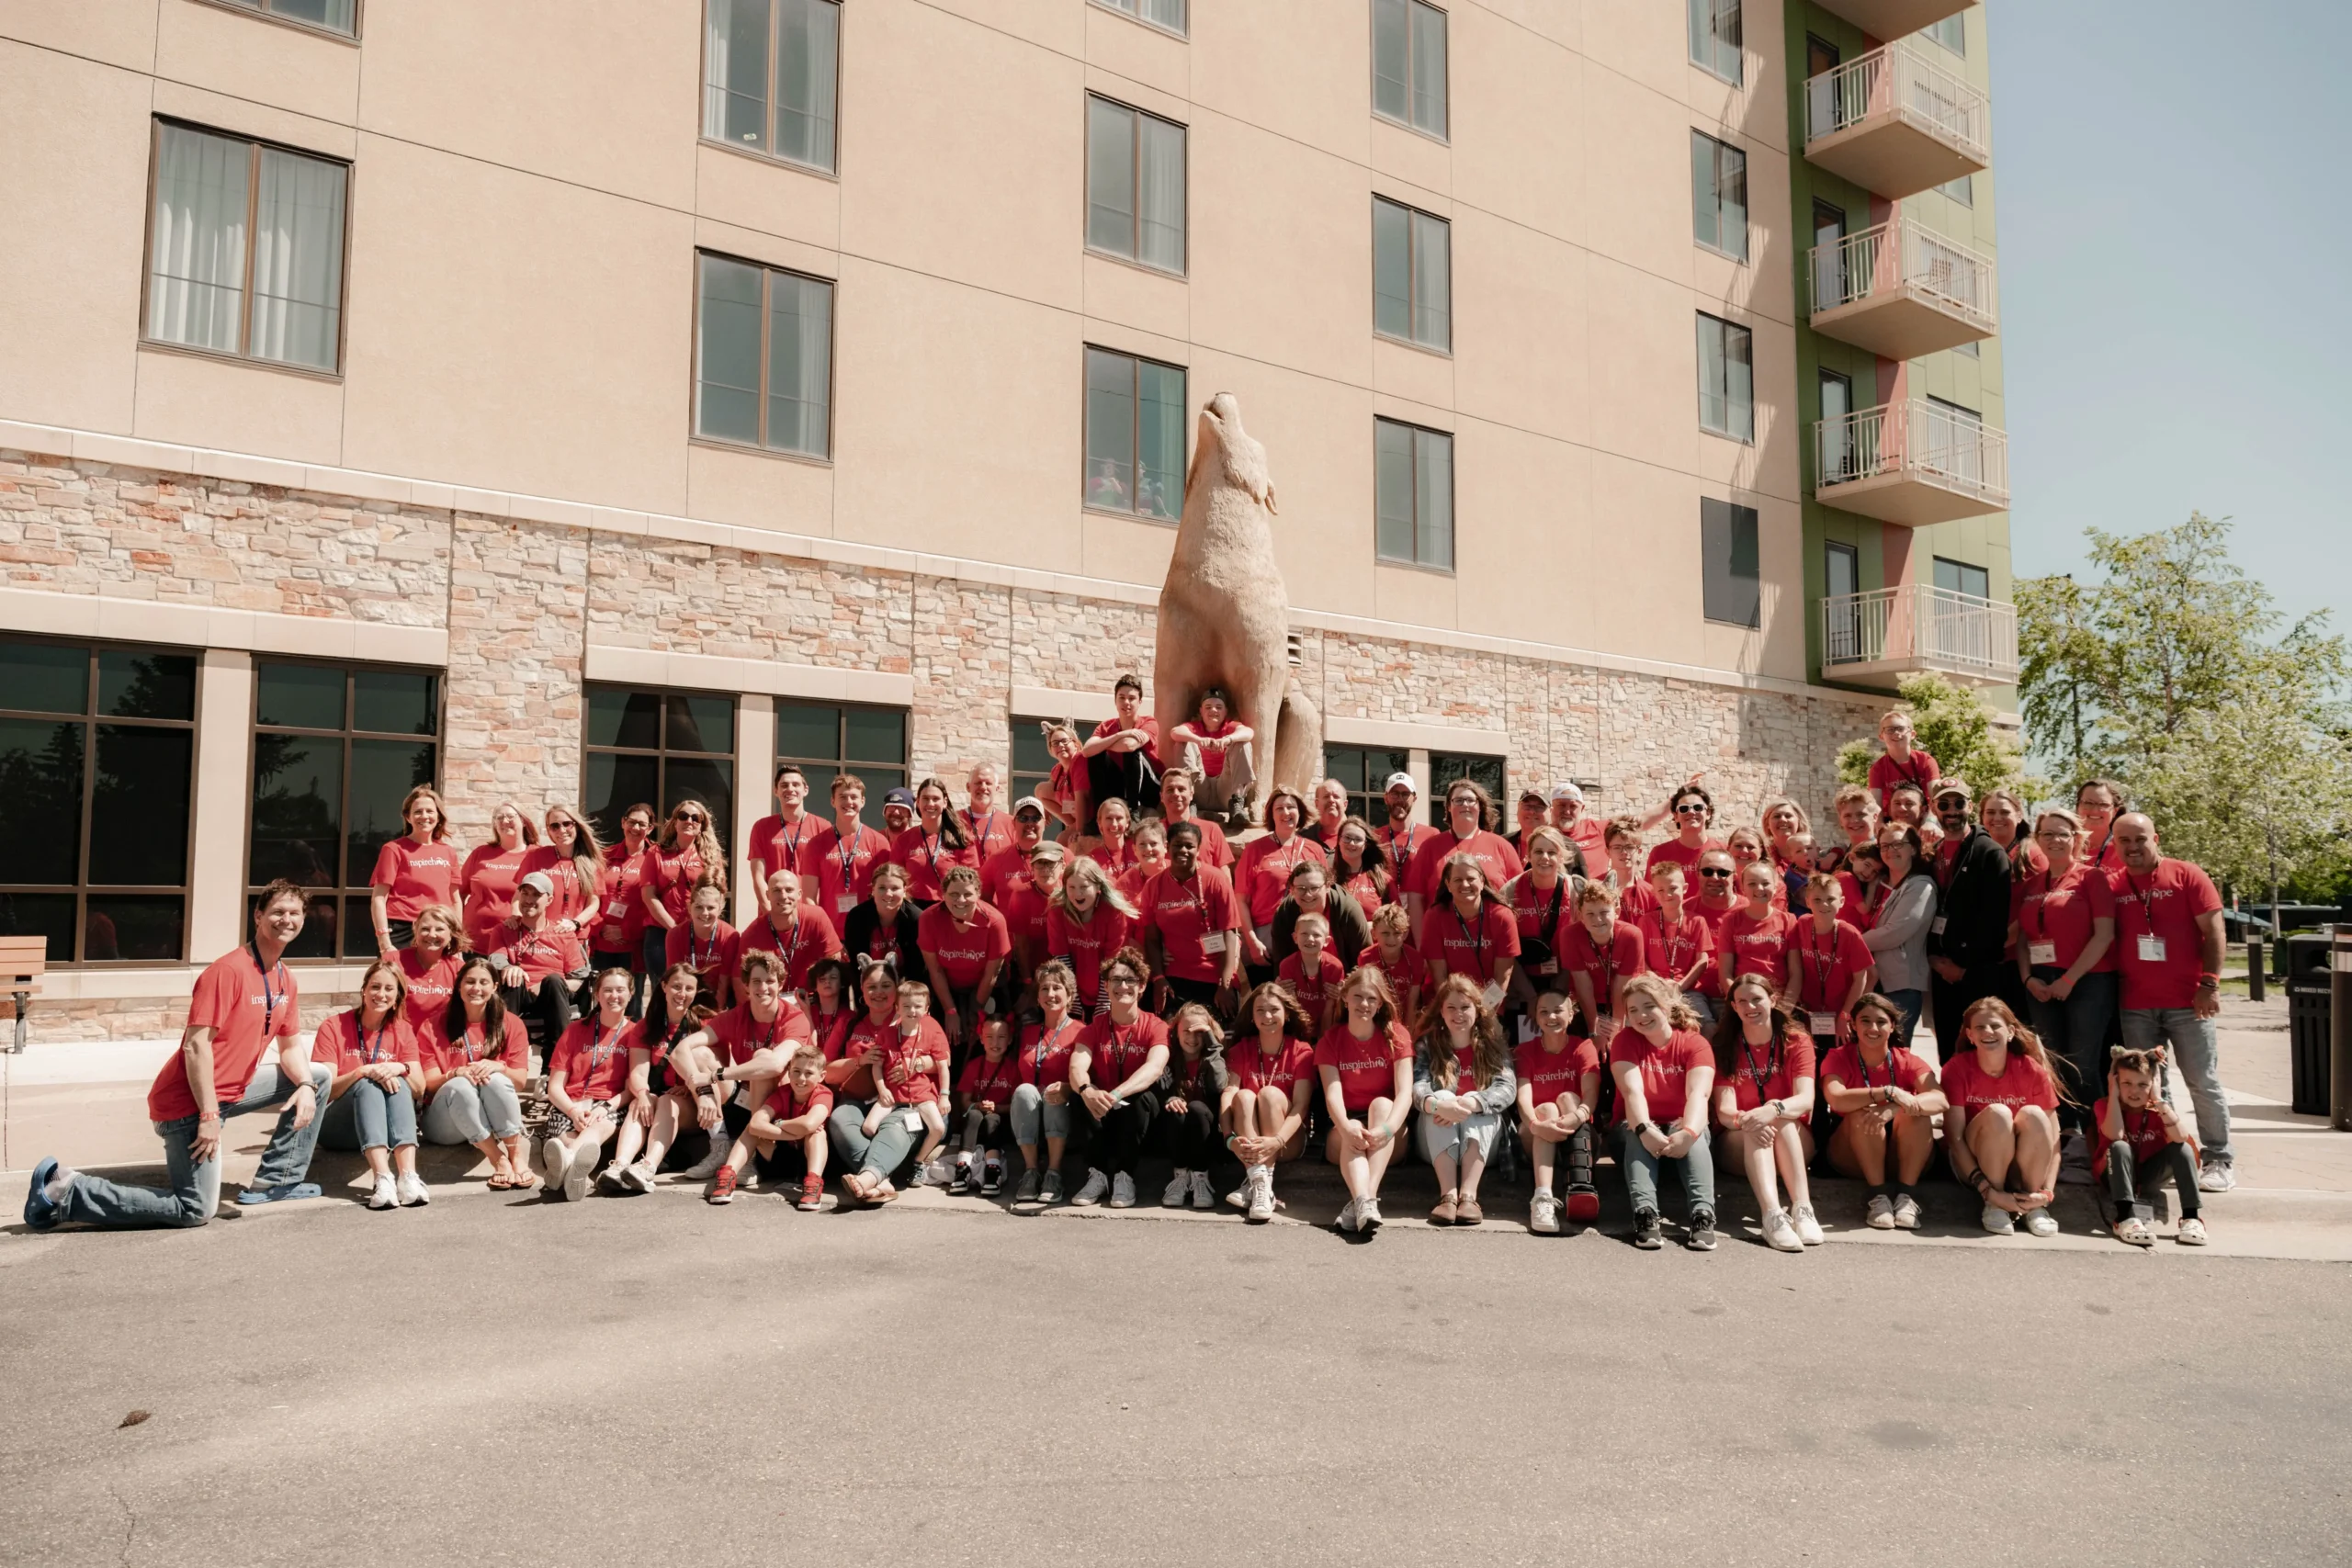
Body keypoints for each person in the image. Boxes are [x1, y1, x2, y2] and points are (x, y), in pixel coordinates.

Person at [28, 880, 334, 1230]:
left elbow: (291, 1047)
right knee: (195, 1210)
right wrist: (208, 1115)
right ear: (258, 916)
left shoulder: (285, 979)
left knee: (319, 1076)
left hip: (231, 1091)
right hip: (189, 1103)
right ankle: (66, 1189)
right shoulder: (228, 971)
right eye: (278, 911)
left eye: (295, 913)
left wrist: (307, 1086)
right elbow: (195, 1045)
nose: (287, 919)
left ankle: (276, 1182)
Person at [2109, 812, 2234, 1191]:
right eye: (2124, 841)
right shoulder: (2113, 884)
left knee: (2202, 1080)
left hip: (2188, 1001)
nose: (2132, 847)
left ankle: (2219, 1158)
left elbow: (2214, 931)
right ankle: (2170, 1153)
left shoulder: (2187, 875)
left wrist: (2209, 984)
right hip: (2135, 1002)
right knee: (2148, 1087)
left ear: (2156, 838)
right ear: (2115, 844)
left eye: (2140, 839)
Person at [665, 950, 816, 1197]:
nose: (763, 988)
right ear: (746, 985)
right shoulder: (736, 1015)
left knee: (763, 1058)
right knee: (701, 1053)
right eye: (756, 981)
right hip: (742, 1098)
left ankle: (750, 1154)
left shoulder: (794, 1019)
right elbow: (680, 1051)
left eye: (770, 981)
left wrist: (716, 1077)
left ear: (780, 984)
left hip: (779, 1107)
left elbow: (776, 1066)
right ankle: (721, 1144)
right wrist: (702, 1091)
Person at [2012, 808, 2118, 1131]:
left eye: (2063, 833)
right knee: (2051, 1063)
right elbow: (2023, 939)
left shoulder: (2092, 877)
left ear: (2076, 838)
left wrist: (2070, 979)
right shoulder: (2031, 885)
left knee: (2083, 1065)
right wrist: (2028, 978)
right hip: (2041, 983)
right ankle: (2065, 1134)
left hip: (2088, 982)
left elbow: (2105, 934)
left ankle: (2098, 1140)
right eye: (2047, 834)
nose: (2055, 840)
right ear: (2037, 840)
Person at [1816, 993, 1945, 1229]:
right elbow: (1836, 1099)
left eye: (1881, 1021)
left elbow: (1940, 1100)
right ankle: (1879, 1198)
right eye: (1865, 1020)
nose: (1872, 1028)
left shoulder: (1906, 1059)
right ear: (1853, 1025)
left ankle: (1906, 1197)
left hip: (1901, 1154)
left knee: (1915, 1113)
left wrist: (1897, 1105)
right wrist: (1886, 1092)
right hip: (1852, 1154)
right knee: (1861, 1112)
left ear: (1892, 1025)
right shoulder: (1838, 1056)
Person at [1609, 975, 1719, 1251]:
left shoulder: (1695, 1043)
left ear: (1667, 1006)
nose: (1641, 1015)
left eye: (1649, 1006)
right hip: (1635, 1129)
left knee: (1693, 1131)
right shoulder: (1625, 1040)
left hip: (1681, 1130)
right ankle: (1645, 1216)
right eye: (1632, 1010)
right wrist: (1645, 1129)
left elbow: (1699, 1094)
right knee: (1635, 1133)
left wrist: (1689, 1133)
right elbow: (1632, 1092)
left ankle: (1703, 1216)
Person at [1711, 975, 1819, 1253]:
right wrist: (1750, 1120)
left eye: (1757, 999)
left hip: (1792, 1138)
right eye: (1742, 1001)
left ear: (1772, 1000)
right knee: (1755, 1128)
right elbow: (1725, 1112)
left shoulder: (1797, 1041)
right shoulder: (1724, 1045)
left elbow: (1806, 1099)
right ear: (1734, 1007)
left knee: (1779, 1116)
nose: (1750, 1007)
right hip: (1737, 1141)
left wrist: (1772, 1109)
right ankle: (1772, 1216)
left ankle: (1803, 1209)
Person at [1940, 996, 2064, 1235]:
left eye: (1995, 1025)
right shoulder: (1956, 1069)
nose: (1988, 1031)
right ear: (1970, 1036)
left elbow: (2054, 1139)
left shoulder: (2031, 1068)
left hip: (2021, 1167)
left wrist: (2047, 1193)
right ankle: (1995, 1205)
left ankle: (2032, 1205)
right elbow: (1954, 1138)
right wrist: (1988, 1190)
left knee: (2034, 1114)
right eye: (1980, 1027)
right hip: (1974, 1166)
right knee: (1998, 1112)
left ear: (2010, 1032)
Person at [829, 958, 948, 1205]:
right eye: (871, 986)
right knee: (840, 1119)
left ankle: (868, 1178)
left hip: (910, 1100)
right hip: (864, 1099)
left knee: (895, 1124)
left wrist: (916, 1065)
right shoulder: (849, 1022)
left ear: (897, 989)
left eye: (886, 985)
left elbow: (944, 1061)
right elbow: (824, 1071)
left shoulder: (920, 1019)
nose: (879, 992)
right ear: (861, 990)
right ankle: (882, 1177)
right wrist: (859, 1061)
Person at [314, 959, 429, 1211]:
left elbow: (420, 1089)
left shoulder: (403, 1030)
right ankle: (382, 1178)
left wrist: (401, 1067)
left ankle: (408, 1176)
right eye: (376, 987)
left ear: (398, 996)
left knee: (398, 1080)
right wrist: (361, 1071)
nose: (381, 994)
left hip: (380, 1126)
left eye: (389, 989)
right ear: (364, 989)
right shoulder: (333, 1027)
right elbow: (326, 1090)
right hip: (336, 1127)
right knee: (367, 1083)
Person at [1068, 948, 1173, 1210]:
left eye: (1130, 980)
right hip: (1103, 1112)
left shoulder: (1156, 1026)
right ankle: (1098, 1175)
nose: (1122, 986)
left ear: (1142, 987)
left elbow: (1155, 1068)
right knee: (1079, 1095)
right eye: (1115, 980)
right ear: (1106, 985)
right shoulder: (1094, 1028)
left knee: (1138, 1097)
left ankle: (1125, 1176)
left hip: (1140, 1118)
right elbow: (1077, 1066)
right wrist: (1086, 1090)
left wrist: (1117, 1094)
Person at [419, 953, 536, 1187]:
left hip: (488, 1118)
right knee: (460, 1085)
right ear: (459, 986)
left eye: (484, 982)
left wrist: (499, 1066)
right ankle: (498, 1158)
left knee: (497, 1078)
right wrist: (454, 1073)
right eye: (470, 982)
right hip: (445, 1123)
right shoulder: (432, 1025)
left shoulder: (511, 1023)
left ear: (494, 987)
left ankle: (516, 1156)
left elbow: (520, 1082)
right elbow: (428, 1084)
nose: (476, 988)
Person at [1317, 967, 1415, 1236]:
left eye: (1372, 999)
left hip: (1389, 1131)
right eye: (1358, 996)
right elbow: (1332, 1095)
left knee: (1382, 1104)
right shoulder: (1331, 1040)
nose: (1364, 1004)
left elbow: (1405, 1093)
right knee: (1353, 1130)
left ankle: (1363, 1200)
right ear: (1345, 997)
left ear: (1380, 1003)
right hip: (1345, 1127)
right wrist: (1347, 1127)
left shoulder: (1397, 1035)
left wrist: (1386, 1129)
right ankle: (1367, 1203)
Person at [603, 963, 717, 1192]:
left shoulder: (706, 1022)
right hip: (663, 1098)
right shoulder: (648, 1025)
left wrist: (690, 1085)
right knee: (639, 1102)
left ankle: (647, 1168)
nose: (681, 994)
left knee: (666, 1101)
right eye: (676, 987)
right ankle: (620, 1165)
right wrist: (643, 1094)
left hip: (697, 1105)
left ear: (696, 992)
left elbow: (716, 1069)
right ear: (663, 986)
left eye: (688, 989)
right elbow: (638, 1072)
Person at [1412, 975, 1516, 1225]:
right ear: (1442, 1012)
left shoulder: (1492, 1044)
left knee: (1475, 1098)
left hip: (1484, 1146)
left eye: (1465, 1007)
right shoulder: (1429, 1044)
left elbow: (1507, 1088)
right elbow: (1417, 1088)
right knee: (1444, 1095)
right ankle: (1448, 1197)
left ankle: (1469, 1197)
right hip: (1436, 1142)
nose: (1458, 1014)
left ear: (1477, 1010)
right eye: (1451, 1008)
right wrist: (1439, 1105)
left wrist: (1473, 1103)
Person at [538, 968, 643, 1202]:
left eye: (620, 990)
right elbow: (554, 1087)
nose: (613, 996)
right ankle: (576, 1174)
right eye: (607, 990)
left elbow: (630, 1088)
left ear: (631, 994)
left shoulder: (635, 1033)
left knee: (600, 1125)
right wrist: (573, 1111)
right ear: (596, 994)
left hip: (609, 1105)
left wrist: (604, 1107)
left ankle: (566, 1160)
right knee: (566, 1135)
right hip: (571, 1104)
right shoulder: (576, 1030)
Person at [1927, 780, 2012, 1064]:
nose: (1952, 811)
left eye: (1959, 803)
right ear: (1933, 808)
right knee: (1949, 1057)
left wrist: (1964, 969)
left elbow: (1995, 922)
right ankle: (1954, 1109)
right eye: (1944, 804)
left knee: (1982, 1055)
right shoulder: (1933, 853)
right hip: (1940, 971)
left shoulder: (1990, 853)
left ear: (1970, 807)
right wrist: (1935, 960)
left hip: (1974, 974)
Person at [1222, 982, 1316, 1223]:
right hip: (1249, 1139)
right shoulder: (1242, 1048)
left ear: (1286, 1013)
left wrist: (1277, 1140)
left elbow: (1301, 1106)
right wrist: (1229, 1137)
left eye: (1274, 1009)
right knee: (1243, 1096)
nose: (1267, 1016)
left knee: (1269, 1094)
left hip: (1287, 1140)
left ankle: (1257, 1180)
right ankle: (1260, 1183)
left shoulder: (1302, 1050)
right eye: (1260, 1010)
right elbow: (1230, 1090)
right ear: (1252, 1017)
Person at [2097, 1047, 2207, 1247]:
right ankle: (2124, 1218)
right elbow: (2115, 1135)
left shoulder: (2158, 1109)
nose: (2134, 1091)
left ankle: (2191, 1218)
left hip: (2149, 1176)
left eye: (2143, 1084)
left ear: (2154, 1084)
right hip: (2115, 1174)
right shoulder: (2104, 1105)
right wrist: (2113, 1095)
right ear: (2115, 1082)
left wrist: (2159, 1101)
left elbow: (2181, 1137)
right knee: (2120, 1146)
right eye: (2126, 1083)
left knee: (2181, 1147)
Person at [1516, 989, 1602, 1234]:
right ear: (1536, 1017)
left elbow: (1590, 1097)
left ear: (1571, 1015)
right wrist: (1537, 1125)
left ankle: (1580, 1185)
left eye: (1558, 1010)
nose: (1551, 1016)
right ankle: (1542, 1198)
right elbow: (1523, 1098)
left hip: (1578, 1136)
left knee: (1566, 1098)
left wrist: (1576, 1116)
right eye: (1543, 1011)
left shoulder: (1584, 1046)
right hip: (1537, 1135)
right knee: (1545, 1108)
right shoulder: (1525, 1051)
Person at [1137, 820, 1244, 1018]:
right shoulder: (1154, 886)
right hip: (1174, 976)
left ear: (1198, 848)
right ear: (1168, 847)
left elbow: (1230, 931)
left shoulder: (1216, 879)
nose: (1183, 850)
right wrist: (1159, 978)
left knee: (1217, 1036)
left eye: (1190, 846)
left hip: (1214, 974)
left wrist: (1225, 983)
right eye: (1178, 845)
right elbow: (1151, 938)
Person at [711, 1044, 832, 1211]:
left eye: (809, 1073)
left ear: (821, 1076)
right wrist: (793, 1133)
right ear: (789, 1072)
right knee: (750, 1129)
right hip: (779, 1155)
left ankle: (813, 1185)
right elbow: (756, 1123)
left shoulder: (823, 1094)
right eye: (796, 1071)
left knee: (817, 1134)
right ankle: (727, 1175)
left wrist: (780, 1123)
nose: (801, 1078)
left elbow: (809, 1124)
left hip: (806, 1160)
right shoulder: (783, 1093)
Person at [1402, 779, 1522, 937]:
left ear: (1480, 807)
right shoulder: (1430, 847)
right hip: (1443, 940)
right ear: (1449, 808)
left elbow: (1520, 893)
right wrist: (1421, 945)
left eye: (1471, 800)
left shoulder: (1501, 845)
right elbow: (1415, 898)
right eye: (1458, 800)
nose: (1465, 804)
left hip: (1493, 940)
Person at [1009, 960, 1084, 1205]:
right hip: (1030, 1112)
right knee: (1024, 1090)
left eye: (1057, 988)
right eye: (1044, 989)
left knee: (1054, 1091)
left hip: (1064, 1111)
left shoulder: (1081, 1031)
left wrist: (1068, 1087)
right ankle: (1031, 1172)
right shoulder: (1029, 1032)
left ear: (1070, 995)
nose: (1050, 994)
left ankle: (1054, 1174)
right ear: (1038, 998)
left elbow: (1088, 1076)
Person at [916, 864, 1011, 1059]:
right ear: (943, 894)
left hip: (985, 985)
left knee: (981, 1033)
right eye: (953, 894)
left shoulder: (994, 921)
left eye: (967, 894)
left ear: (978, 893)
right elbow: (935, 971)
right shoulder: (929, 918)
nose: (960, 900)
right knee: (949, 1035)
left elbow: (991, 973)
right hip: (947, 986)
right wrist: (950, 1011)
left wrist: (976, 1009)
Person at [487, 871, 589, 1044]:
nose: (528, 900)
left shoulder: (562, 933)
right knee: (513, 977)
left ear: (549, 900)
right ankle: (502, 1050)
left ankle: (556, 1060)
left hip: (552, 996)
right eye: (524, 893)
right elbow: (495, 961)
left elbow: (579, 978)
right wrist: (509, 968)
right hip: (518, 994)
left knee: (554, 980)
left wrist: (544, 984)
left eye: (536, 895)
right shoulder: (505, 929)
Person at [1861, 824, 1937, 1054]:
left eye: (1898, 844)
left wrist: (1847, 943)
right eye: (1885, 845)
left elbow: (1896, 932)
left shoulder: (1921, 885)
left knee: (1895, 1053)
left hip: (1901, 985)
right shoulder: (1883, 885)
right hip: (1876, 981)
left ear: (1913, 849)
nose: (1890, 850)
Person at [1236, 788, 1327, 972]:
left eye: (1291, 807)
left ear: (1300, 812)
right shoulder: (1255, 849)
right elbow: (1240, 900)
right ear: (1271, 814)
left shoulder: (1315, 850)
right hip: (1265, 939)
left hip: (1307, 935)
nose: (1286, 812)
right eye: (1279, 808)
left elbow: (1325, 896)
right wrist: (1252, 941)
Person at [369, 784, 463, 957]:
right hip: (402, 929)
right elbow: (379, 897)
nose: (424, 816)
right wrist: (384, 942)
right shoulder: (394, 849)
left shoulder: (448, 852)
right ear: (408, 816)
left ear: (438, 816)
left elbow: (455, 900)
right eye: (418, 812)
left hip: (439, 930)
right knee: (398, 983)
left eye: (430, 811)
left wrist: (457, 941)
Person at [871, 981, 951, 1179]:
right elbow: (877, 1066)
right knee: (868, 1127)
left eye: (917, 1006)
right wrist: (882, 1090)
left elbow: (943, 1065)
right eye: (906, 1006)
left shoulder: (931, 1033)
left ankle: (918, 1161)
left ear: (926, 1009)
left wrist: (944, 1096)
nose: (912, 1011)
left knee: (938, 1127)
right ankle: (884, 1162)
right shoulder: (887, 1033)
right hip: (893, 1094)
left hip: (922, 1096)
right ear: (897, 1008)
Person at [1157, 1002, 1231, 1209]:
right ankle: (1180, 1176)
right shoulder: (1168, 1058)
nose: (1192, 1038)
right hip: (1175, 1134)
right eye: (1187, 1031)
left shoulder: (1214, 1058)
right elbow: (1158, 1091)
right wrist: (1170, 1099)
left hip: (1209, 1135)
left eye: (1199, 1032)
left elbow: (1219, 1086)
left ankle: (1200, 1177)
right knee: (1175, 1110)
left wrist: (1213, 1045)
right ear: (1176, 1032)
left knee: (1197, 1107)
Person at [1045, 854, 1136, 1018]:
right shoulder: (1057, 909)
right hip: (1073, 989)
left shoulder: (1113, 912)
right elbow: (1061, 958)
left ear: (1098, 887)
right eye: (1071, 887)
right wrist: (1073, 999)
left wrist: (1103, 1002)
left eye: (1084, 887)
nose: (1077, 894)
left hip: (1107, 986)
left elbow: (1110, 960)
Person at [639, 798, 722, 977]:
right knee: (662, 992)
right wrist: (674, 929)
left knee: (698, 990)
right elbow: (648, 895)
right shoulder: (656, 852)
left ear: (701, 826)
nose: (689, 821)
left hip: (699, 932)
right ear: (675, 822)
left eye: (695, 818)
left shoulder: (710, 856)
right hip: (661, 933)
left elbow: (718, 895)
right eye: (683, 816)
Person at [1504, 827, 1578, 1023]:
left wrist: (1559, 989)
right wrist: (1530, 996)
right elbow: (1505, 950)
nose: (1544, 857)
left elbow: (1582, 945)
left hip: (1564, 982)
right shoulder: (1511, 891)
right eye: (1538, 851)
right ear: (1528, 855)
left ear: (1562, 857)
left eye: (1552, 852)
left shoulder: (1575, 891)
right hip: (1522, 986)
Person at [1790, 874, 1872, 1047]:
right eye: (1817, 899)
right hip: (1808, 1013)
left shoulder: (1850, 934)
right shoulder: (1802, 924)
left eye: (1830, 899)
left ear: (1842, 901)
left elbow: (1861, 979)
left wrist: (1845, 1015)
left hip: (1840, 1015)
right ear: (1807, 902)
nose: (1824, 904)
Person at [799, 774, 892, 922]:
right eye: (842, 797)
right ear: (832, 801)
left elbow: (886, 892)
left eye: (854, 797)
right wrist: (821, 928)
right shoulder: (816, 844)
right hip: (830, 931)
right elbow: (808, 897)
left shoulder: (879, 843)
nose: (849, 802)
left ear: (863, 801)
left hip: (868, 931)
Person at [1559, 879, 1641, 1046]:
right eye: (1590, 914)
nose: (1598, 919)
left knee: (1622, 1044)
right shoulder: (1570, 935)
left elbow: (1621, 987)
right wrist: (1594, 1032)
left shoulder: (1632, 936)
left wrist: (1616, 1032)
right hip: (1588, 1002)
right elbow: (1583, 985)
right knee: (1586, 1045)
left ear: (1616, 911)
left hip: (1623, 1001)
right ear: (1581, 915)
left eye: (1604, 912)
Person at [741, 867, 844, 997]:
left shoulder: (817, 917)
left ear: (799, 894)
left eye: (789, 890)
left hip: (813, 1000)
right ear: (768, 895)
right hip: (772, 1003)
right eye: (776, 890)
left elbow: (833, 961)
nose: (783, 896)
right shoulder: (752, 935)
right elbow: (741, 985)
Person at [1637, 863, 1716, 1027]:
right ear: (1654, 892)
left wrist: (1680, 986)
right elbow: (1640, 960)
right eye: (1660, 890)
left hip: (1687, 989)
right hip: (1653, 986)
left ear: (1685, 888)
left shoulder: (1696, 921)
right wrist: (1658, 981)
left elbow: (1703, 960)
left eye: (1673, 888)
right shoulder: (1646, 921)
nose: (1667, 894)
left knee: (1707, 1025)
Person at [459, 801, 539, 954]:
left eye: (510, 816)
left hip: (515, 943)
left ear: (523, 820)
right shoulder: (481, 853)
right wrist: (457, 928)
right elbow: (459, 893)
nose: (504, 821)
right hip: (473, 942)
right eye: (499, 817)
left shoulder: (536, 855)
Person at [1170, 686, 1256, 825]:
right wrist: (1197, 740)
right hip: (1199, 790)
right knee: (1182, 743)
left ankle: (1237, 804)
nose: (1213, 710)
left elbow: (1249, 732)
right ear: (1201, 711)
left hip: (1226, 792)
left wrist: (1227, 740)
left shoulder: (1230, 726)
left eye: (1218, 707)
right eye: (1208, 707)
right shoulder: (1194, 727)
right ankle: (1188, 803)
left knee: (1243, 743)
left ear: (1225, 711)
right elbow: (1175, 732)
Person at [1268, 857, 1372, 972]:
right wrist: (1283, 981)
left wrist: (1348, 984)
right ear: (1292, 890)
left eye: (1314, 888)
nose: (1308, 895)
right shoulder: (1284, 913)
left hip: (1343, 979)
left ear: (1327, 887)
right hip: (1301, 980)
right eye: (1301, 888)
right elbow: (1280, 960)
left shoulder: (1348, 909)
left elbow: (1365, 959)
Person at [953, 1017, 1020, 1195]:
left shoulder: (1013, 1068)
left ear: (1010, 1040)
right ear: (981, 1039)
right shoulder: (974, 1066)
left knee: (993, 1118)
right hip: (976, 1125)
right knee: (974, 1114)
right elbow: (964, 1102)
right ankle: (962, 1168)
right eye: (989, 1037)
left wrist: (996, 1108)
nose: (995, 1042)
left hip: (1000, 1125)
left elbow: (1016, 1104)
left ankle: (993, 1170)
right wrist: (978, 1105)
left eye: (1001, 1037)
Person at [592, 801, 656, 985]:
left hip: (634, 946)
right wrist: (600, 926)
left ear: (650, 829)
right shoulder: (604, 856)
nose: (635, 828)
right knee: (601, 999)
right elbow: (590, 896)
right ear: (623, 823)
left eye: (642, 824)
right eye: (631, 822)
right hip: (603, 942)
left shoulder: (654, 858)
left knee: (631, 1005)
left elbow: (654, 903)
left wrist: (625, 931)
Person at [1081, 672, 1161, 818]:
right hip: (1122, 783)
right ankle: (1100, 813)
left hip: (1149, 788)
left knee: (1133, 753)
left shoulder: (1149, 722)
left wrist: (1103, 743)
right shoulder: (1107, 726)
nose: (1127, 703)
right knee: (1095, 755)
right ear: (1115, 701)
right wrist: (1120, 735)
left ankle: (1133, 811)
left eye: (1132, 698)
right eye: (1122, 698)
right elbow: (1087, 751)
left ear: (1140, 702)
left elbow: (1129, 746)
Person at [749, 763, 821, 912]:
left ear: (805, 790)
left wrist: (814, 915)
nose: (790, 789)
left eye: (796, 785)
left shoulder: (822, 827)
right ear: (776, 791)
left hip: (808, 913)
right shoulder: (761, 827)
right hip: (773, 911)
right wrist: (770, 912)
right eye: (784, 785)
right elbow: (758, 877)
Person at [890, 776, 972, 905]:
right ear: (918, 802)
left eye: (936, 799)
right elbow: (895, 880)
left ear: (945, 803)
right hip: (913, 910)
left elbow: (971, 880)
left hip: (949, 908)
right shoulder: (904, 841)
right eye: (925, 799)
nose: (930, 804)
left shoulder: (961, 839)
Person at [527, 802, 605, 936]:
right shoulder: (536, 856)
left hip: (576, 937)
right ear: (549, 830)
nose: (561, 830)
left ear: (576, 825)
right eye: (554, 826)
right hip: (543, 937)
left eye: (567, 824)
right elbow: (519, 896)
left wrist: (575, 923)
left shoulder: (591, 861)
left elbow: (594, 902)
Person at [665, 878, 741, 1010]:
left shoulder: (730, 936)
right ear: (690, 907)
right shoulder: (675, 935)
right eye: (699, 907)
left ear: (720, 909)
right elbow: (675, 978)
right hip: (686, 991)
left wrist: (714, 1014)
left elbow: (724, 983)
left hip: (718, 993)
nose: (704, 913)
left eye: (710, 908)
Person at [842, 860, 924, 976]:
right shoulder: (857, 917)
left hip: (904, 985)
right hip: (868, 982)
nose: (888, 894)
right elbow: (856, 965)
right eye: (882, 887)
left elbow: (917, 968)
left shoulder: (916, 919)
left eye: (895, 888)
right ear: (873, 890)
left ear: (904, 891)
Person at [394, 903, 464, 1033]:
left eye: (439, 929)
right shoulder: (394, 961)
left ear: (452, 934)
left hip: (439, 1044)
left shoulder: (459, 970)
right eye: (425, 929)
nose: (432, 935)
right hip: (401, 1041)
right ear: (415, 929)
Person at [979, 795, 1054, 908]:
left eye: (1035, 818)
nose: (1029, 823)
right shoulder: (997, 859)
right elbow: (981, 901)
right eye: (1023, 818)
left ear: (1044, 822)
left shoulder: (1063, 855)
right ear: (1013, 823)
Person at [1276, 911, 1344, 1033]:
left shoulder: (1335, 967)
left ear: (1327, 941)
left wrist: (1323, 1040)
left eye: (1316, 935)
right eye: (1304, 934)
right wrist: (1302, 1036)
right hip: (1299, 1024)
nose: (1310, 939)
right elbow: (1292, 1005)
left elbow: (1330, 1007)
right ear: (1295, 938)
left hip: (1326, 1023)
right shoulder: (1287, 965)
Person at [1360, 902, 1428, 1024]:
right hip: (1377, 1017)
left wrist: (1408, 1036)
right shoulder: (1366, 958)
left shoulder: (1415, 959)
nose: (1391, 939)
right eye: (1385, 933)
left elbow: (1412, 1003)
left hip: (1405, 1016)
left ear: (1405, 934)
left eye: (1397, 933)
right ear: (1374, 934)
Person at [1156, 767, 1232, 871]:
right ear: (1161, 796)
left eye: (1181, 789)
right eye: (1170, 790)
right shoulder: (1154, 832)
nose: (1176, 794)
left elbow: (1224, 872)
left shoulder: (1212, 829)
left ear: (1191, 794)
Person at [1644, 784, 1724, 878]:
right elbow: (1650, 892)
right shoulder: (1659, 854)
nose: (1691, 812)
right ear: (1676, 816)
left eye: (1698, 807)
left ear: (1708, 813)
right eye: (1684, 808)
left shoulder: (1724, 852)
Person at [1865, 709, 1939, 806]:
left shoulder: (1926, 761)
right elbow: (1876, 807)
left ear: (1912, 734)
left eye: (1901, 729)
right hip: (1892, 819)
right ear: (1881, 736)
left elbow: (1936, 800)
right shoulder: (1877, 769)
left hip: (1924, 816)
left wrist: (1930, 821)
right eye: (1890, 730)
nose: (1896, 733)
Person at [1329, 817, 1393, 922]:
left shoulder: (1383, 879)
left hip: (1374, 938)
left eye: (1358, 839)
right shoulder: (1328, 880)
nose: (1352, 843)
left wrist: (1373, 927)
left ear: (1366, 845)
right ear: (1339, 840)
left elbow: (1397, 919)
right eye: (1347, 837)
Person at [1599, 816, 1660, 923]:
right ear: (1607, 852)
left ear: (1639, 852)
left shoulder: (1651, 894)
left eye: (1630, 847)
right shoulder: (1595, 887)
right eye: (1617, 847)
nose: (1624, 852)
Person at [1035, 721, 1091, 840]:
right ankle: (1070, 824)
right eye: (1055, 743)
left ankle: (1074, 826)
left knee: (1062, 841)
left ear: (1076, 744)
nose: (1060, 745)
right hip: (1074, 818)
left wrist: (1079, 830)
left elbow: (1082, 797)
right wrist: (1045, 809)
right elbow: (1046, 791)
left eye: (1065, 741)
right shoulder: (1057, 769)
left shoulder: (1080, 760)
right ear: (1050, 749)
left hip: (1089, 818)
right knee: (1040, 789)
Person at [957, 762, 1017, 865]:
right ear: (968, 787)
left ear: (997, 788)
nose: (983, 787)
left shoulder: (1011, 823)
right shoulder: (953, 820)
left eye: (988, 783)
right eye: (978, 783)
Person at [1547, 782, 1609, 879]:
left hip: (1594, 893)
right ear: (1552, 807)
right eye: (1561, 805)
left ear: (1582, 808)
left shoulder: (1599, 830)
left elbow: (1637, 824)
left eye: (1573, 806)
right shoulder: (1543, 835)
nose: (1567, 812)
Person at [1372, 771, 1424, 870]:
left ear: (1414, 799)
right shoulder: (1374, 837)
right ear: (1386, 798)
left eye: (1405, 794)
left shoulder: (1431, 835)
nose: (1400, 799)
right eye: (1394, 793)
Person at [1079, 795, 1138, 884]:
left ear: (1127, 823)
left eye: (1119, 818)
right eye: (1109, 818)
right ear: (1099, 823)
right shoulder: (1091, 860)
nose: (1114, 824)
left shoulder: (1140, 848)